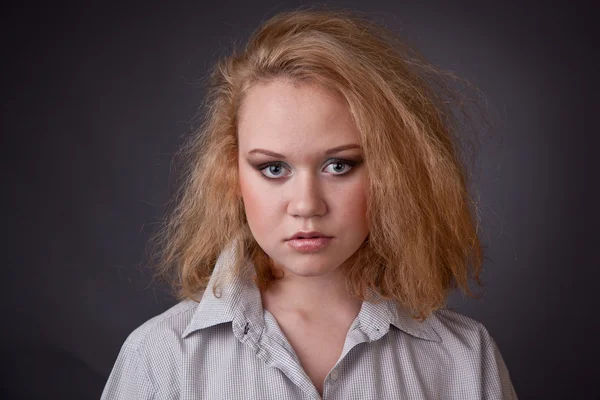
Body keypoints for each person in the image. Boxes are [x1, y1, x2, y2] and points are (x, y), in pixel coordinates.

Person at [101, 7, 517, 400]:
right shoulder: (159, 359)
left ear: (394, 174)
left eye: (339, 165)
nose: (306, 205)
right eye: (273, 169)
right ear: (231, 175)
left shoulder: (464, 358)